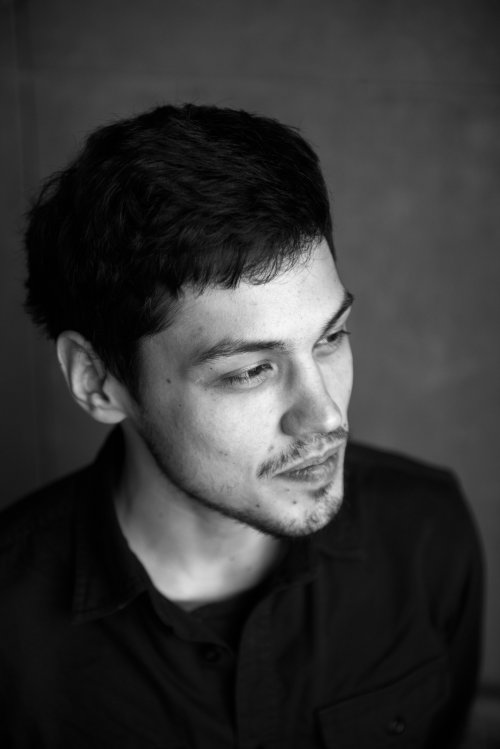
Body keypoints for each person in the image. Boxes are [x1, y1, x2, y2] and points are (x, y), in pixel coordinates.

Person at [0, 104, 483, 748]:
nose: (326, 416)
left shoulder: (425, 535)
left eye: (331, 337)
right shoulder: (10, 636)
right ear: (96, 379)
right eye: (251, 371)